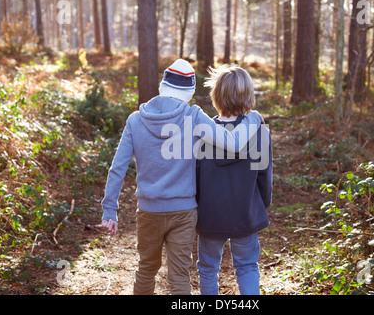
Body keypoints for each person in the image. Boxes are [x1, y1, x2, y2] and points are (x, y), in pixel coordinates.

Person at [100, 59, 264, 295]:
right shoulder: (193, 116)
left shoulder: (135, 120)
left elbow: (117, 167)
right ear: (189, 91)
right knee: (179, 276)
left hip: (148, 212)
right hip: (184, 213)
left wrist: (109, 209)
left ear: (163, 86)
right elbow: (234, 144)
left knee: (146, 269)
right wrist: (252, 118)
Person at [196, 65, 273, 295]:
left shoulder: (202, 133)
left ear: (216, 96)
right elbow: (264, 179)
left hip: (211, 215)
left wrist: (198, 209)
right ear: (248, 96)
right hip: (245, 213)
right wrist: (261, 206)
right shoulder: (260, 133)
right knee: (247, 266)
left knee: (208, 269)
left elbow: (196, 177)